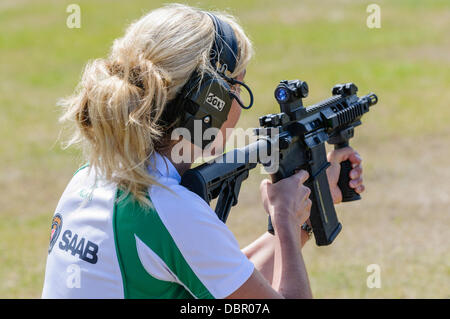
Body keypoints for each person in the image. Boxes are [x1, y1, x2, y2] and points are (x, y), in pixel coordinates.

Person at [42, 4, 364, 299]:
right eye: (238, 88)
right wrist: (284, 220)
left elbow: (226, 280)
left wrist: (301, 218)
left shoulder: (86, 181)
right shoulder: (170, 210)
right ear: (210, 103)